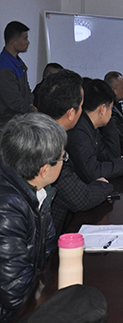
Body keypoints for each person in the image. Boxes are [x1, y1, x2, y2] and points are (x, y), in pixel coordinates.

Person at [0, 113, 66, 322]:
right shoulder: (8, 208)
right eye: (63, 157)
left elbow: (47, 254)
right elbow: (16, 294)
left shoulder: (36, 190)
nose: (65, 161)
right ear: (44, 170)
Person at [37, 69, 115, 235]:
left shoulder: (36, 130)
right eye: (81, 106)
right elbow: (81, 198)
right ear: (71, 113)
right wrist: (104, 186)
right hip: (45, 243)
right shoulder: (49, 146)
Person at [67, 79, 123, 183]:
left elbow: (111, 157)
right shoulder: (79, 132)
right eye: (110, 108)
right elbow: (92, 172)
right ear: (102, 109)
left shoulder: (92, 128)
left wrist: (107, 121)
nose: (111, 114)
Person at [0, 21, 36, 127]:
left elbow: (27, 90)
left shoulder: (18, 63)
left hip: (19, 119)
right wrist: (31, 111)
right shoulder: (4, 66)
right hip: (7, 124)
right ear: (14, 42)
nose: (28, 42)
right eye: (25, 39)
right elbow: (13, 100)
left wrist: (31, 104)